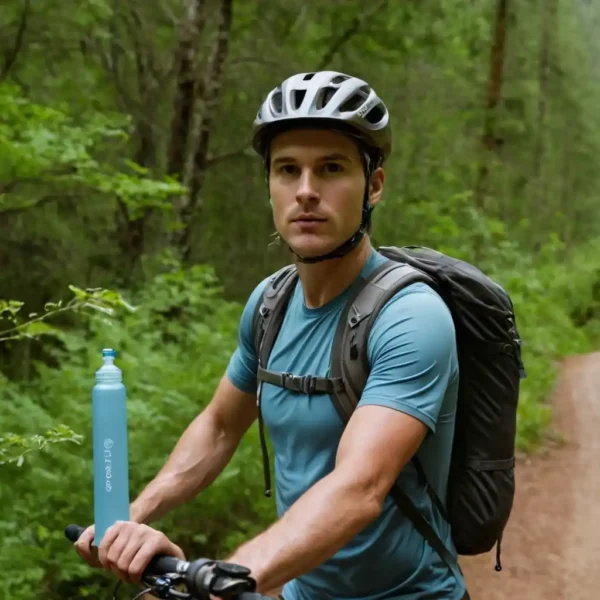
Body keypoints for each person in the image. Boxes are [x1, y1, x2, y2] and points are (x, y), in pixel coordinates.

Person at [74, 71, 469, 600]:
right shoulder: (270, 304)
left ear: (374, 184)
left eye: (331, 168)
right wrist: (129, 520)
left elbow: (360, 488)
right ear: (269, 184)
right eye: (288, 169)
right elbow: (218, 429)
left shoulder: (412, 317)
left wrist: (225, 579)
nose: (306, 190)